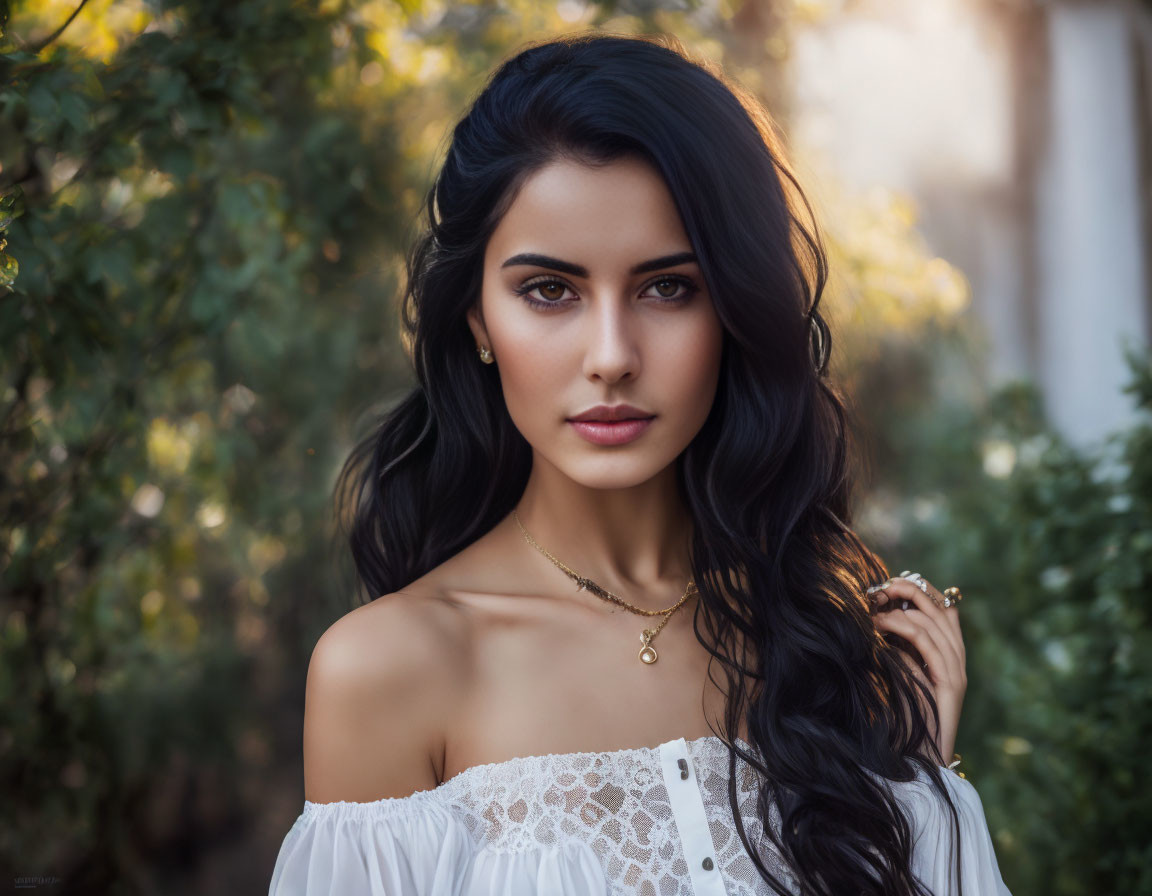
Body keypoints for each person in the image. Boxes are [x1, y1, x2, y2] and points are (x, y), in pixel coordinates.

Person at [268, 31, 1012, 896]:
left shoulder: (824, 642)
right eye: (550, 291)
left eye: (669, 287)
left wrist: (922, 789)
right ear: (476, 319)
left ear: (734, 309)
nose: (613, 356)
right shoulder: (388, 670)